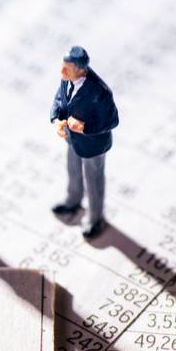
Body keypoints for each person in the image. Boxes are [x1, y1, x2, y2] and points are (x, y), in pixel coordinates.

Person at [50, 46, 119, 239]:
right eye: (62, 67)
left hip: (94, 145)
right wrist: (56, 120)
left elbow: (112, 120)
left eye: (66, 68)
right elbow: (58, 101)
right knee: (72, 170)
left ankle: (95, 218)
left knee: (93, 180)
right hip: (72, 140)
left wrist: (84, 127)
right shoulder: (66, 79)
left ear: (80, 69)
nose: (62, 72)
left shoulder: (100, 91)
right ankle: (73, 201)